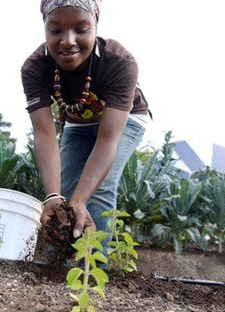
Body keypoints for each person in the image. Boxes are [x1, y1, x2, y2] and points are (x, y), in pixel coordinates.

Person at [21, 0, 151, 258]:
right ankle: (58, 261)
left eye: (81, 29)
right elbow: (45, 134)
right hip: (78, 121)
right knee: (64, 190)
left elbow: (107, 140)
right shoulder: (35, 68)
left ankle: (93, 267)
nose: (68, 41)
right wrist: (54, 196)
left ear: (95, 26)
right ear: (45, 28)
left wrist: (81, 200)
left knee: (98, 187)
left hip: (125, 120)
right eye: (56, 30)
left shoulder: (119, 63)